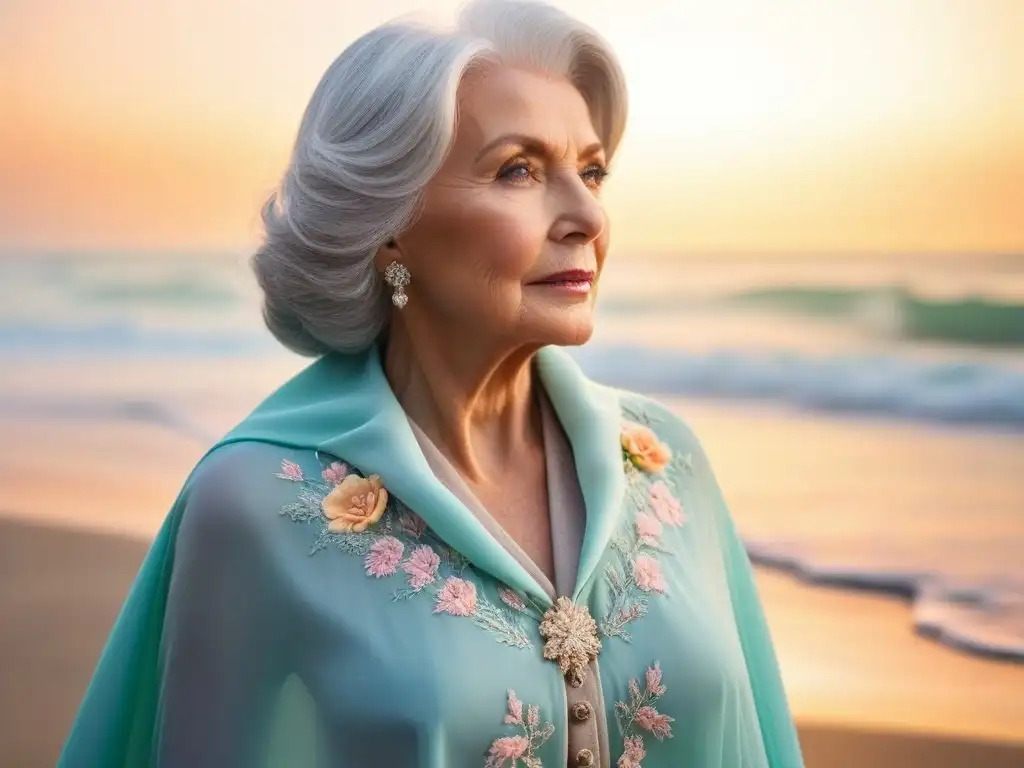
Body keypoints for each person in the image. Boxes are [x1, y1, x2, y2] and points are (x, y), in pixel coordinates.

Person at [58, 1, 804, 765]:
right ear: (388, 225)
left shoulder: (665, 459)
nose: (586, 214)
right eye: (519, 170)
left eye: (590, 171)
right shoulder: (256, 500)